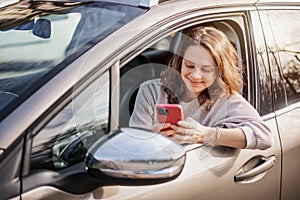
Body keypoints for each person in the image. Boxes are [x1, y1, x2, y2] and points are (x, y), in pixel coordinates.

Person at [129, 26, 271, 150]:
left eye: (206, 69)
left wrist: (205, 134)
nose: (196, 76)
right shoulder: (151, 91)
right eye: (189, 66)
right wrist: (153, 136)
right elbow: (133, 144)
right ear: (180, 62)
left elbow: (264, 137)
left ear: (219, 71)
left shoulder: (226, 99)